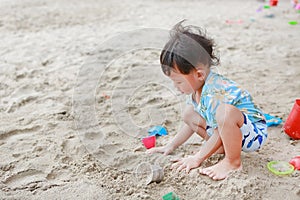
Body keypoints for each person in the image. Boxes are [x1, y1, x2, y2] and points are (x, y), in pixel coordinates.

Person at [147, 21, 268, 180]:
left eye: (178, 82)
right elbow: (190, 125)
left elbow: (221, 127)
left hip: (252, 133)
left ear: (199, 74)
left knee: (225, 113)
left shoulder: (214, 92)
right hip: (231, 130)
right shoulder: (197, 88)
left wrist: (197, 158)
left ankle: (233, 162)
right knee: (189, 114)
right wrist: (172, 145)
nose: (175, 87)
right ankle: (223, 147)